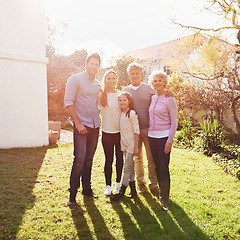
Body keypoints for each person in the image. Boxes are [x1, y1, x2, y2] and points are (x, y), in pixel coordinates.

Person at [64, 53, 101, 206]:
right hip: (81, 126)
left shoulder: (98, 84)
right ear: (86, 64)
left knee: (89, 159)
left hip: (95, 125)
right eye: (91, 63)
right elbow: (68, 102)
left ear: (99, 67)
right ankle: (72, 194)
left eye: (96, 64)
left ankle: (87, 189)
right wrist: (77, 123)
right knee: (79, 158)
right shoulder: (75, 79)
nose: (93, 66)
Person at [121, 62, 160, 195]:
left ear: (141, 74)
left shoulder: (149, 89)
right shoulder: (125, 90)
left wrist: (169, 93)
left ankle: (153, 184)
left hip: (148, 129)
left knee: (151, 158)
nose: (135, 75)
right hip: (133, 132)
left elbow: (160, 97)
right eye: (132, 73)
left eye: (137, 73)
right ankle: (141, 184)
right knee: (137, 158)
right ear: (129, 75)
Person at [148, 70, 177, 211]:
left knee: (164, 167)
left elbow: (174, 122)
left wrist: (169, 141)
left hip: (164, 137)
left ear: (165, 82)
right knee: (157, 167)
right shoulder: (153, 98)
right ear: (152, 83)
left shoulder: (170, 99)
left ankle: (165, 198)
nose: (157, 83)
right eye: (155, 81)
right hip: (151, 137)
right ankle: (161, 193)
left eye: (160, 80)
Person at [111, 92, 140, 201]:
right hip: (124, 144)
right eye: (120, 100)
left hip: (131, 145)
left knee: (127, 167)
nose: (122, 102)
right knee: (131, 167)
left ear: (129, 101)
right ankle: (133, 190)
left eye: (124, 100)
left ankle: (122, 190)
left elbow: (137, 131)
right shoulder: (122, 113)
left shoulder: (132, 113)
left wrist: (136, 147)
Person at [99, 69, 123, 196]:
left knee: (120, 159)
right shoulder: (100, 95)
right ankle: (108, 185)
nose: (111, 80)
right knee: (109, 159)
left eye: (113, 78)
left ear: (116, 80)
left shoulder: (120, 95)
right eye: (109, 78)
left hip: (119, 133)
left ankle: (118, 184)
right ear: (105, 80)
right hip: (106, 133)